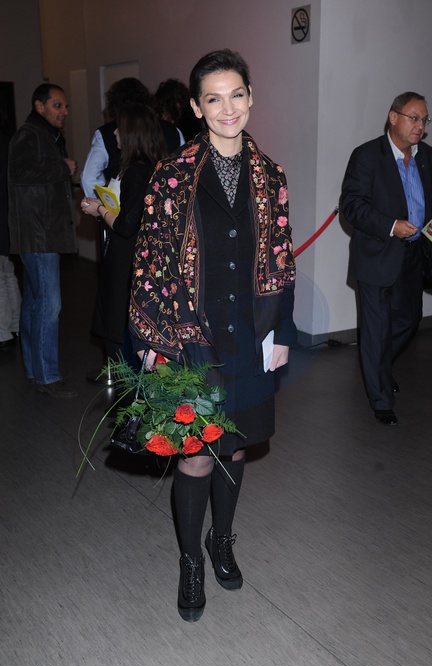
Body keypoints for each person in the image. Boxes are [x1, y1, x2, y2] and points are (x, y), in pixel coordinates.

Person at [129, 49, 296, 621]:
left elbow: (281, 256)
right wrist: (153, 342)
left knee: (236, 448)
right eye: (214, 99)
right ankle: (190, 561)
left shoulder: (270, 175)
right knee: (197, 455)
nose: (228, 108)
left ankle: (221, 540)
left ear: (251, 97)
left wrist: (281, 330)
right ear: (197, 108)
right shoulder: (172, 175)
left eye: (236, 95)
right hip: (189, 337)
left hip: (250, 334)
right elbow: (150, 260)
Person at [341, 91, 432, 426]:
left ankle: (379, 368)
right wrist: (391, 226)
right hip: (377, 256)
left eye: (424, 120)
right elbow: (351, 206)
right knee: (375, 331)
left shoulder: (425, 154)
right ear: (393, 117)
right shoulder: (366, 156)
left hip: (414, 255)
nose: (420, 126)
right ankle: (381, 400)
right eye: (413, 118)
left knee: (409, 321)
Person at [80, 103, 166, 368]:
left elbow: (127, 225)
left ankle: (128, 391)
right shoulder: (147, 166)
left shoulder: (138, 170)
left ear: (132, 132)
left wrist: (99, 209)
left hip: (127, 260)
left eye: (119, 127)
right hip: (131, 258)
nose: (115, 132)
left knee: (120, 332)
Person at [8, 83, 78, 398]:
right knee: (49, 305)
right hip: (39, 235)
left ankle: (34, 369)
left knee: (35, 304)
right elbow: (19, 173)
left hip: (40, 233)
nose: (65, 112)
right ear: (40, 106)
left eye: (65, 106)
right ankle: (47, 376)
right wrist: (61, 167)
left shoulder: (44, 135)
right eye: (58, 105)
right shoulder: (29, 134)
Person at [0, 111, 21, 351]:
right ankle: (15, 325)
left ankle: (3, 332)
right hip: (9, 215)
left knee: (2, 275)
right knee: (8, 273)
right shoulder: (10, 139)